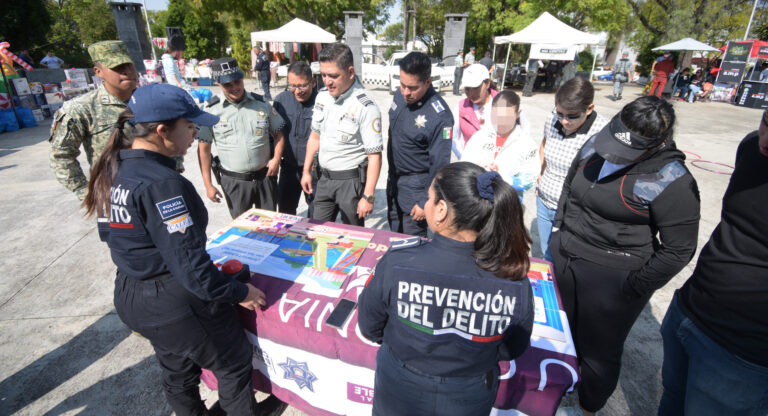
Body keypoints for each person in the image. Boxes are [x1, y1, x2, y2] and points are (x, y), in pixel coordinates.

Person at [82, 83, 267, 416]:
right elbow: (193, 270)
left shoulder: (113, 169)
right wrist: (240, 291)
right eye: (190, 124)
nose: (196, 132)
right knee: (233, 362)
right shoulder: (163, 184)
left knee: (178, 368)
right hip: (173, 299)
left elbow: (111, 235)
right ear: (163, 131)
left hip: (131, 294)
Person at [552, 96, 700, 416]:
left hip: (614, 277)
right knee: (563, 333)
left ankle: (588, 407)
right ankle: (560, 386)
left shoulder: (671, 178)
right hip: (566, 256)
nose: (614, 155)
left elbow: (679, 249)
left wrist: (633, 286)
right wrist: (556, 231)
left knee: (598, 353)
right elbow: (568, 187)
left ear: (657, 144)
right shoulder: (597, 141)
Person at [359, 162, 535, 416]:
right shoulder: (514, 278)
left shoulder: (399, 262)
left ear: (441, 210)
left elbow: (370, 326)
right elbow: (511, 347)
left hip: (400, 386)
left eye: (429, 198)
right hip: (470, 390)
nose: (427, 204)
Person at [658, 109, 768, 416]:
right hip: (689, 311)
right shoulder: (751, 149)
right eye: (767, 122)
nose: (766, 140)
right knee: (671, 400)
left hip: (742, 352)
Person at [300, 43, 382, 226]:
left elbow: (374, 155)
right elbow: (315, 137)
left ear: (350, 72)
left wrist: (368, 196)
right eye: (323, 75)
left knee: (353, 239)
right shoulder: (322, 97)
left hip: (350, 184)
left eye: (333, 76)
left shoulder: (366, 107)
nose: (327, 81)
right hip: (324, 180)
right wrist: (306, 171)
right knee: (316, 232)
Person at [49, 41, 144, 200]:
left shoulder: (151, 100)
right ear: (98, 71)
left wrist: (174, 170)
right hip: (114, 196)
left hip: (155, 191)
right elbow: (61, 156)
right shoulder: (81, 108)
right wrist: (86, 193)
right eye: (117, 67)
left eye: (129, 65)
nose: (127, 71)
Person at [197, 57, 285, 219]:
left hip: (265, 177)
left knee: (269, 226)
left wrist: (276, 159)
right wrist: (208, 185)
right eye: (227, 84)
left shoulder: (262, 104)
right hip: (235, 182)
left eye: (237, 82)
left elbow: (279, 134)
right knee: (241, 231)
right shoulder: (210, 110)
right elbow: (204, 150)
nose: (234, 87)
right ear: (217, 82)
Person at [536, 77, 609, 262]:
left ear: (589, 108)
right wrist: (539, 172)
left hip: (574, 210)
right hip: (545, 202)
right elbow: (544, 145)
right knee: (547, 253)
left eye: (572, 116)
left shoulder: (603, 132)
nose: (564, 121)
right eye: (560, 114)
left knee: (564, 260)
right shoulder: (552, 120)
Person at [386, 52, 453, 237]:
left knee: (413, 244)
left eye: (412, 88)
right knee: (394, 236)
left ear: (428, 82)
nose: (406, 92)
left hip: (417, 189)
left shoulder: (440, 116)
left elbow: (440, 165)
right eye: (402, 85)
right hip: (394, 181)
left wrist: (427, 200)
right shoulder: (400, 97)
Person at [461, 90, 538, 201]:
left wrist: (500, 178)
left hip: (506, 204)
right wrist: (479, 168)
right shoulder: (479, 137)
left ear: (518, 114)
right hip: (478, 203)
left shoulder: (526, 143)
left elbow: (530, 178)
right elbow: (464, 164)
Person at [273, 61, 317, 216]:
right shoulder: (281, 101)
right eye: (292, 86)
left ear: (312, 82)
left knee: (316, 212)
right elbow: (273, 133)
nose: (297, 91)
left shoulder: (322, 102)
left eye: (302, 86)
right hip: (289, 168)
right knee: (285, 211)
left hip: (314, 169)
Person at [451, 64, 498, 158]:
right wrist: (465, 159)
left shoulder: (504, 104)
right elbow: (453, 138)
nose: (471, 93)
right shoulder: (461, 108)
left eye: (476, 88)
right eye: (467, 89)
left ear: (487, 83)